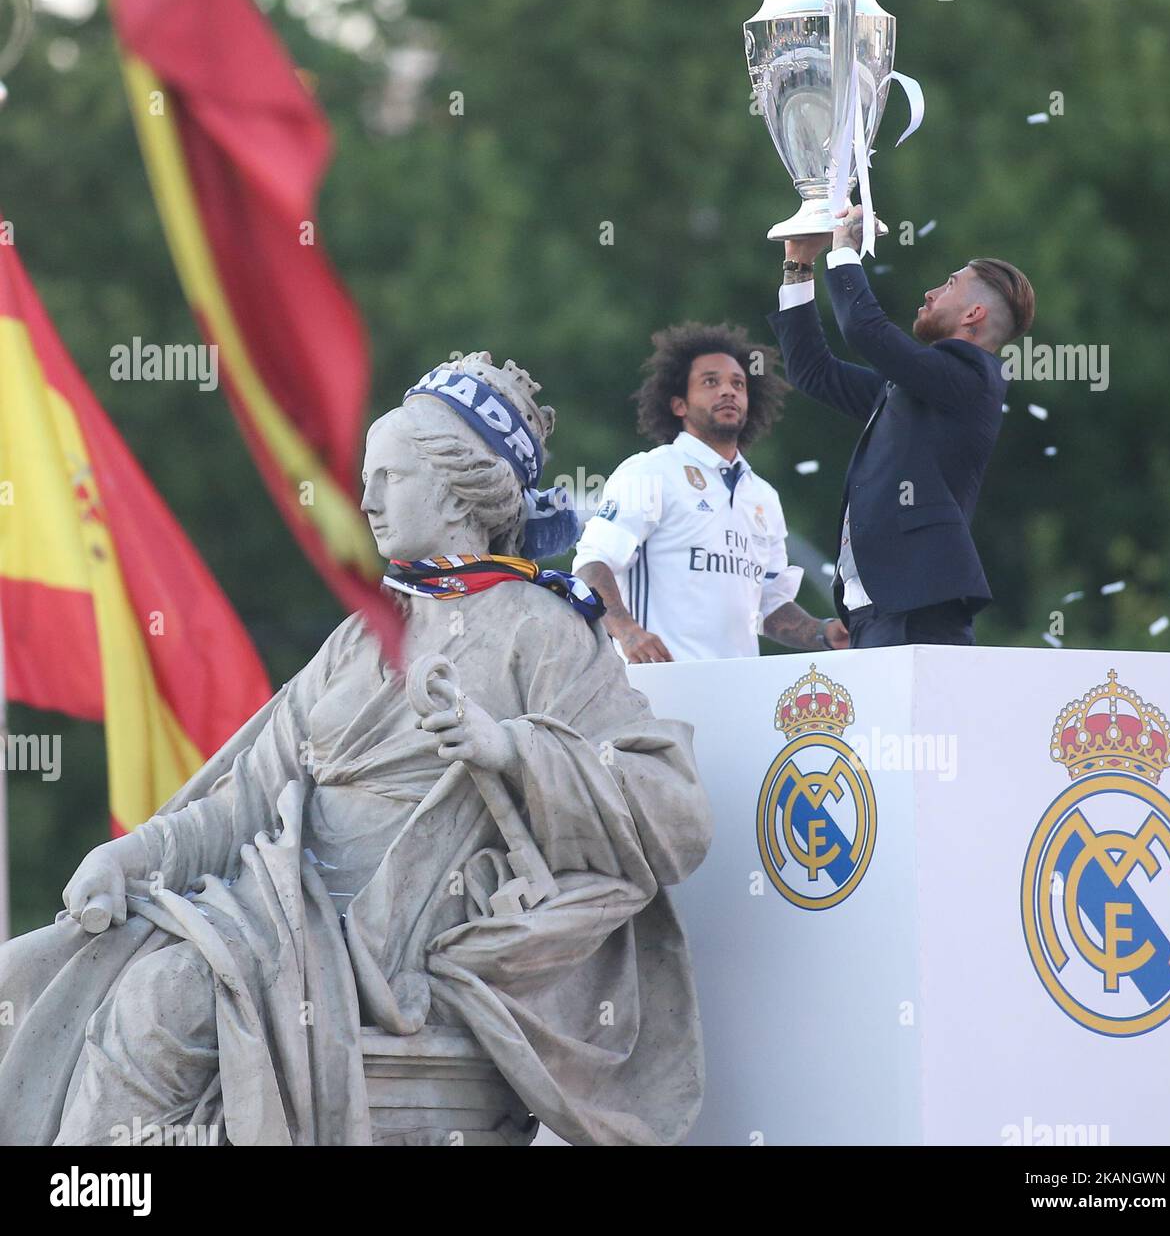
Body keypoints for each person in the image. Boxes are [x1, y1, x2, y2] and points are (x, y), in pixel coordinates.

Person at [0, 352, 712, 1147]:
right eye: (366, 479)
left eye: (389, 478)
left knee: (161, 997)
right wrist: (130, 858)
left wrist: (512, 750)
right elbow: (245, 799)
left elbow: (673, 811)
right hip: (276, 911)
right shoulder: (361, 637)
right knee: (67, 976)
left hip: (385, 948)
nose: (366, 501)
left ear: (458, 490)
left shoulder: (540, 629)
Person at [768, 205, 1034, 648]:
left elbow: (865, 330)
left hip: (918, 607)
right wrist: (798, 265)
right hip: (874, 608)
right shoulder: (918, 388)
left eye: (949, 285)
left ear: (973, 314)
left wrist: (844, 251)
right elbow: (813, 372)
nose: (931, 293)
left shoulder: (972, 376)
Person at [573, 322, 847, 662]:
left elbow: (770, 605)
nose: (728, 391)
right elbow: (591, 564)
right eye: (710, 382)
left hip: (740, 687)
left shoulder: (763, 496)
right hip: (658, 686)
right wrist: (627, 632)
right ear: (679, 405)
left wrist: (823, 632)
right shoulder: (651, 471)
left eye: (738, 384)